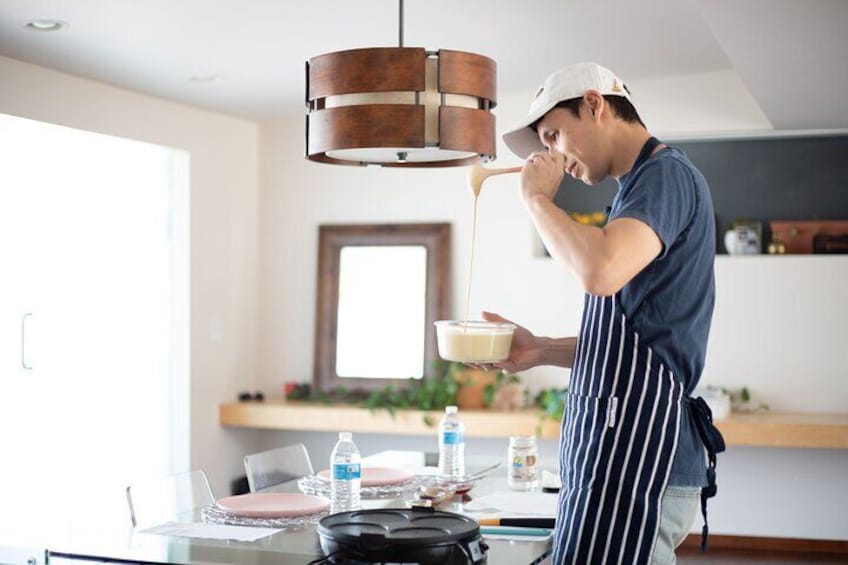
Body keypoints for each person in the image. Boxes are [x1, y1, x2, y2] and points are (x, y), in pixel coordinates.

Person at [482, 62, 725, 564]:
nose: (552, 155)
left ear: (594, 104)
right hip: (617, 454)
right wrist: (542, 350)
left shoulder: (665, 175)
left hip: (639, 456)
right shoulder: (634, 192)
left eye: (553, 135)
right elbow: (637, 340)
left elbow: (599, 270)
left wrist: (534, 200)